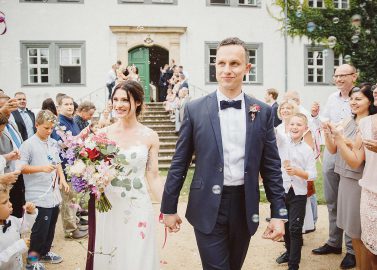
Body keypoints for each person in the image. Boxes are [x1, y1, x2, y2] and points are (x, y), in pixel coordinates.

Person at [161, 37, 287, 270]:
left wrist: (278, 213)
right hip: (206, 205)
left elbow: (271, 167)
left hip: (244, 204)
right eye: (221, 63)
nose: (227, 70)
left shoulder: (263, 111)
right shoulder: (195, 108)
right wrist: (168, 207)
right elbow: (179, 162)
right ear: (215, 66)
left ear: (247, 68)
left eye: (234, 64)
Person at [93, 80, 164, 269]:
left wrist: (167, 207)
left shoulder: (150, 136)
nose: (119, 105)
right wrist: (93, 179)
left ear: (138, 102)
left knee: (137, 254)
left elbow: (153, 175)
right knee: (111, 253)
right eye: (115, 99)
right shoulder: (102, 134)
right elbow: (92, 170)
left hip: (138, 204)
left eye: (125, 100)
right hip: (108, 205)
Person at [324, 84, 377, 270]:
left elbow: (356, 160)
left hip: (357, 179)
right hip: (343, 176)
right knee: (352, 230)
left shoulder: (369, 123)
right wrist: (327, 133)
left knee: (359, 232)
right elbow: (331, 149)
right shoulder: (347, 120)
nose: (353, 102)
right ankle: (355, 258)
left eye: (358, 99)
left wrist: (340, 139)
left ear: (369, 101)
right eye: (352, 99)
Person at [311, 64, 357, 269]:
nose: (338, 79)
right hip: (332, 151)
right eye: (336, 75)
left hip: (351, 152)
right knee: (332, 199)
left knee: (350, 202)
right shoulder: (331, 98)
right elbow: (326, 122)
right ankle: (333, 242)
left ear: (354, 77)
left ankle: (352, 250)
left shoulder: (360, 97)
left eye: (342, 75)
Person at [18, 110, 70, 270]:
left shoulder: (53, 142)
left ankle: (45, 252)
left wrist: (62, 178)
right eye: (45, 128)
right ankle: (32, 261)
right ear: (36, 125)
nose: (49, 131)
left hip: (53, 193)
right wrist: (41, 168)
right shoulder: (28, 145)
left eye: (51, 128)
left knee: (51, 227)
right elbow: (21, 167)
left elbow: (57, 162)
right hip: (38, 195)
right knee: (39, 231)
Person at [275, 113, 317, 270]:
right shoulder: (282, 141)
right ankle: (289, 252)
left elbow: (313, 174)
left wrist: (298, 172)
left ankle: (294, 264)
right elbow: (273, 132)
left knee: (295, 228)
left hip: (298, 193)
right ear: (287, 126)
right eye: (292, 124)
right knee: (285, 226)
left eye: (299, 125)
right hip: (282, 190)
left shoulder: (307, 150)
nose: (294, 127)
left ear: (305, 128)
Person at [51, 95, 88, 239]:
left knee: (73, 198)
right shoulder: (58, 124)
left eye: (71, 104)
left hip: (75, 166)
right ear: (58, 108)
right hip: (64, 167)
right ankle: (70, 230)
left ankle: (75, 223)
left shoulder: (72, 121)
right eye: (66, 104)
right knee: (67, 200)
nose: (69, 106)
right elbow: (62, 144)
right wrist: (80, 137)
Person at [0, 184, 37, 270]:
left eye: (9, 200)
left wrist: (29, 213)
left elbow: (24, 226)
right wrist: (18, 247)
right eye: (5, 202)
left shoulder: (11, 219)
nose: (10, 204)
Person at [0, 94, 25, 218]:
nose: (7, 111)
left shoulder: (11, 122)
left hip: (17, 170)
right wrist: (7, 157)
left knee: (17, 207)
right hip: (5, 174)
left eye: (10, 107)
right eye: (4, 107)